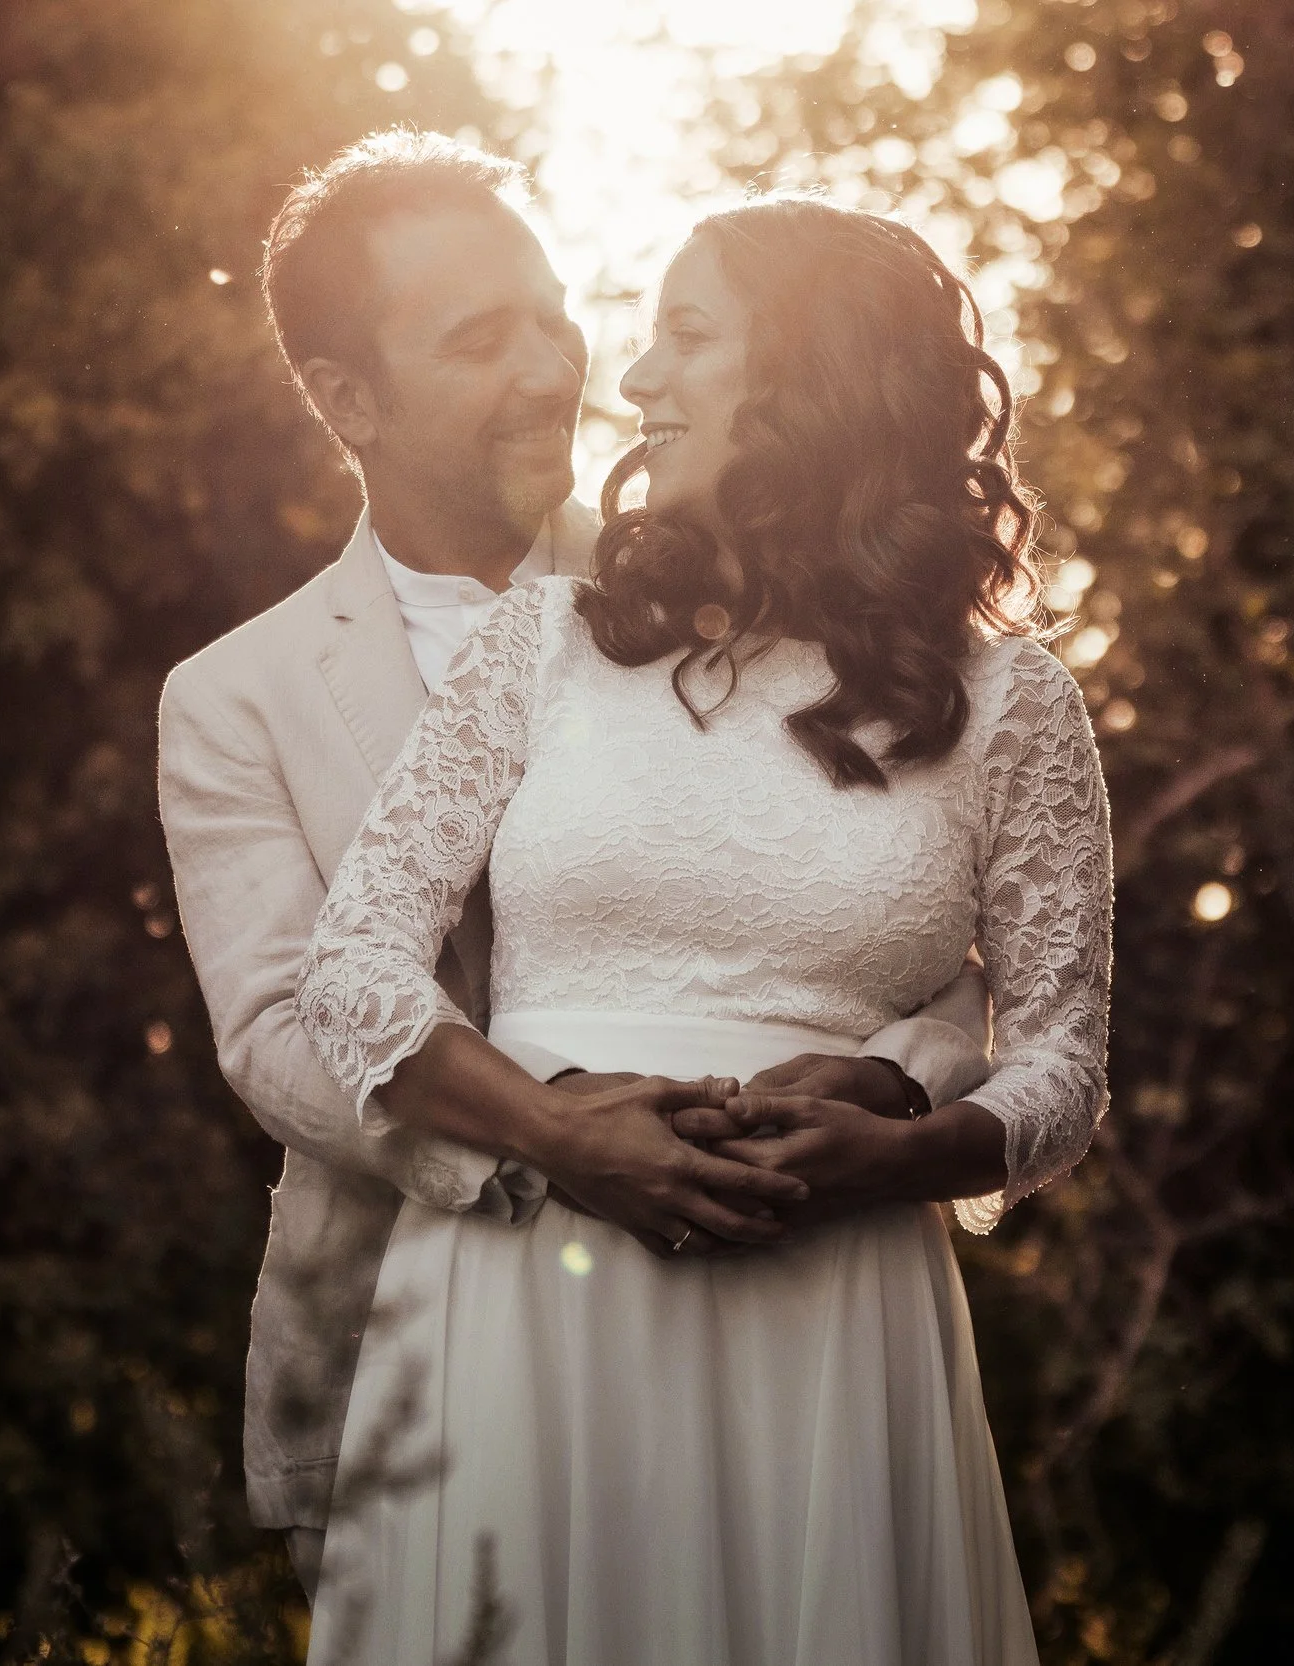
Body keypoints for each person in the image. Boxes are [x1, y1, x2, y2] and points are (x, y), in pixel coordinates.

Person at [157, 133, 994, 1598]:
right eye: (482, 339)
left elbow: (925, 921)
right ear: (348, 397)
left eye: (553, 316)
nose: (555, 371)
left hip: (774, 1307)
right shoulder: (235, 697)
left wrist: (888, 1087)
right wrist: (546, 1138)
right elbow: (279, 1030)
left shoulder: (739, 591)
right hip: (404, 1361)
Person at [292, 194, 1113, 1663]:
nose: (636, 379)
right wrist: (559, 1131)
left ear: (816, 378)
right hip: (528, 1298)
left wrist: (900, 1151)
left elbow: (1062, 1067)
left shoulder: (1009, 704)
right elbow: (353, 969)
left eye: (686, 335)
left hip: (834, 1313)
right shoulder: (540, 648)